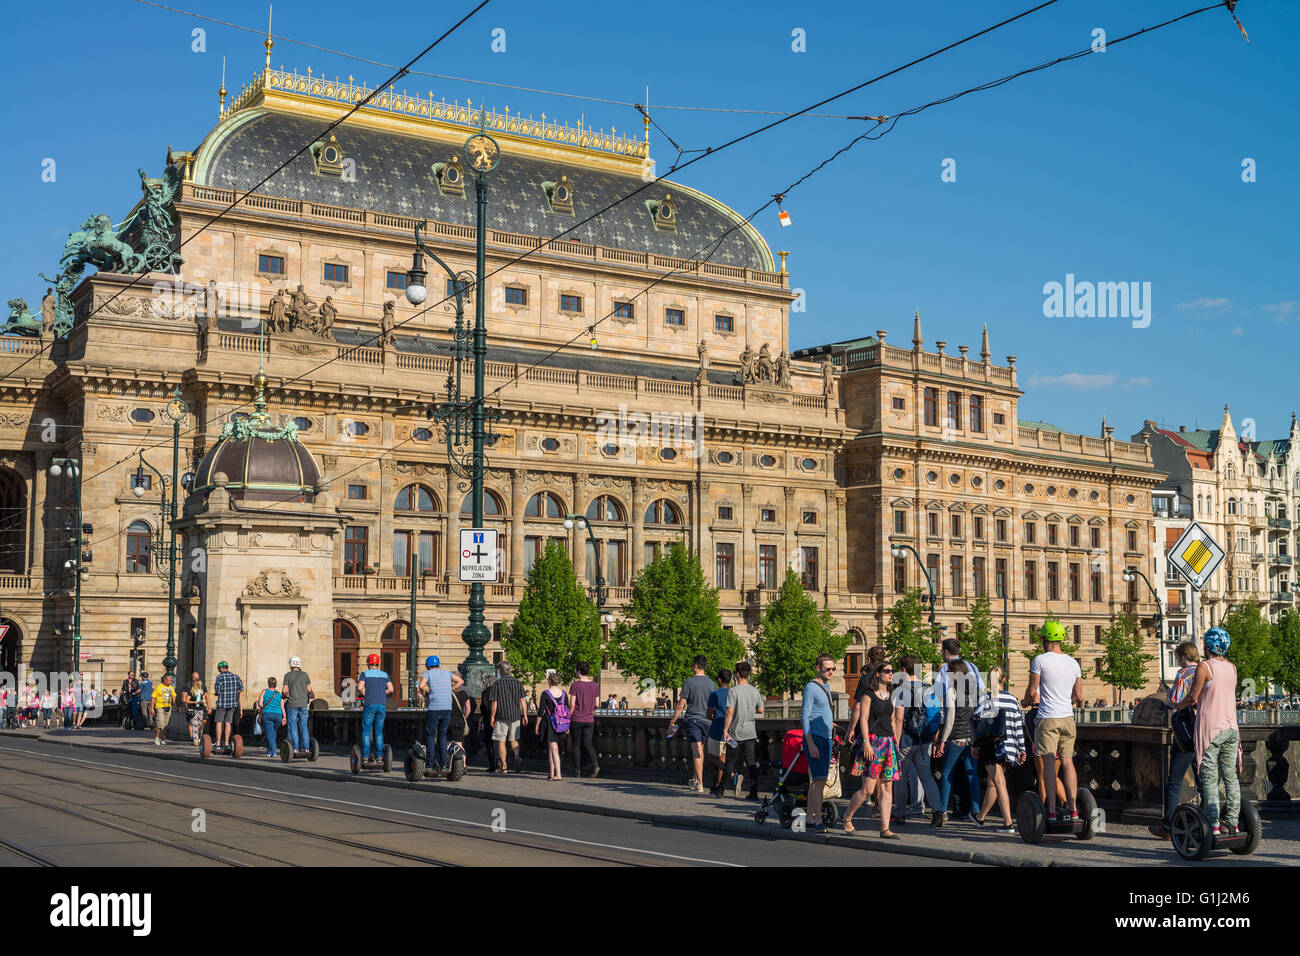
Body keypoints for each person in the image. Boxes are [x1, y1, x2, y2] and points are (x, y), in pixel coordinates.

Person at [1176, 627, 1241, 837]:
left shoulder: (1205, 666)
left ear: (1207, 646)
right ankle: (1232, 822)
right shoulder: (1232, 667)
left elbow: (1193, 697)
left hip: (1212, 729)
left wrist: (1178, 706)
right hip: (1231, 728)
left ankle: (1213, 823)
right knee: (1230, 777)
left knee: (1210, 777)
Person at [1021, 620, 1083, 824]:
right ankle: (1073, 809)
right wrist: (1066, 701)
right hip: (1068, 718)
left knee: (1048, 762)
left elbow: (1032, 691)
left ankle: (1052, 810)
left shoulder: (1040, 660)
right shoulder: (1073, 662)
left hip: (1047, 717)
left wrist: (1025, 701)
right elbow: (1078, 695)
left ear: (1045, 639)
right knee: (1068, 762)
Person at [843, 660, 901, 838]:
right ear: (878, 674)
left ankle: (885, 828)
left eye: (892, 671)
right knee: (868, 788)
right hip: (873, 741)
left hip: (888, 742)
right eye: (887, 671)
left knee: (887, 787)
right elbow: (863, 718)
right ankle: (847, 816)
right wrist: (866, 742)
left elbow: (892, 720)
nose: (891, 674)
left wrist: (895, 741)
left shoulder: (891, 694)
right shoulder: (868, 694)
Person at [1150, 641, 1201, 839]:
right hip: (1204, 731)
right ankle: (1206, 820)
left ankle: (1169, 826)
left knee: (1175, 781)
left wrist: (1167, 698)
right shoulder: (1206, 670)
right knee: (1202, 779)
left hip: (1186, 733)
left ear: (1182, 656)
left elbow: (1176, 702)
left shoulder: (1183, 674)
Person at [891, 654, 943, 826]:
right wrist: (935, 739)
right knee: (927, 777)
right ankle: (937, 811)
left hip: (905, 740)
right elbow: (936, 717)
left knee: (901, 777)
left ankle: (899, 813)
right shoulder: (929, 689)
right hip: (924, 741)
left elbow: (898, 719)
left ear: (904, 670)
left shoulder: (900, 690)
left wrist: (895, 743)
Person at [973, 666, 1026, 833]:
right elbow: (1018, 726)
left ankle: (1008, 823)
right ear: (1004, 680)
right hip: (1009, 747)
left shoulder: (986, 699)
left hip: (992, 746)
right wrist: (1022, 749)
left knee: (999, 782)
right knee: (993, 783)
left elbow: (977, 723)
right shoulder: (1012, 700)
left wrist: (974, 745)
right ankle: (980, 818)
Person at [933, 657, 981, 827]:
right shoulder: (974, 691)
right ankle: (976, 810)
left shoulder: (952, 692)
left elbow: (950, 718)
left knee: (946, 774)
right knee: (972, 774)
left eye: (949, 672)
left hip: (956, 738)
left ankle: (943, 811)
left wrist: (942, 740)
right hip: (971, 739)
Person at [668, 655, 716, 793]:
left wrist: (673, 720)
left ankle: (700, 783)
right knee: (700, 750)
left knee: (696, 752)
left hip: (693, 720)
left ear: (695, 666)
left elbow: (681, 704)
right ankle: (695, 780)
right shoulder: (712, 683)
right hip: (707, 721)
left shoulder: (689, 681)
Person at [801, 654, 837, 831]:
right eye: (827, 669)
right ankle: (818, 820)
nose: (831, 672)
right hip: (815, 738)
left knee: (816, 781)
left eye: (833, 669)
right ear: (818, 668)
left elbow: (818, 712)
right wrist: (810, 743)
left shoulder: (826, 687)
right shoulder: (811, 687)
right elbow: (805, 716)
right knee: (820, 779)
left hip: (826, 736)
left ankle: (809, 817)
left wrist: (828, 722)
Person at [722, 661, 764, 799]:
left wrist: (725, 729)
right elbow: (761, 709)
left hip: (735, 732)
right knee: (751, 763)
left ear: (737, 674)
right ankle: (753, 791)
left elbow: (729, 712)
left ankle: (721, 789)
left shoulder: (733, 691)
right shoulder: (754, 691)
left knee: (730, 762)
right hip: (750, 732)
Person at [487, 661, 527, 773]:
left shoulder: (497, 684)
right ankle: (517, 756)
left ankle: (504, 767)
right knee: (514, 740)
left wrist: (492, 716)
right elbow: (523, 700)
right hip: (515, 715)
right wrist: (525, 715)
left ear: (501, 671)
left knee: (501, 741)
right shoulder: (517, 683)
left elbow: (494, 702)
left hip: (501, 716)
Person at [419, 655, 454, 773]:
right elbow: (461, 681)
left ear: (427, 666)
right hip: (447, 708)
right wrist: (451, 689)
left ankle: (429, 764)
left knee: (430, 734)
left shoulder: (427, 674)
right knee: (442, 735)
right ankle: (444, 764)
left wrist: (427, 692)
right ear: (438, 664)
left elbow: (420, 685)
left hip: (434, 708)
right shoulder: (447, 673)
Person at [567, 661, 600, 778]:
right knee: (588, 744)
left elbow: (572, 704)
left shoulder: (575, 685)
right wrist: (589, 708)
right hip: (589, 719)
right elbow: (597, 704)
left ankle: (577, 770)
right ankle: (595, 763)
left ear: (579, 671)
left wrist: (567, 717)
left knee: (576, 745)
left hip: (577, 718)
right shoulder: (595, 686)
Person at [535, 673, 570, 781]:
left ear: (549, 681)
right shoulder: (564, 693)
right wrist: (568, 725)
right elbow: (567, 710)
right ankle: (551, 773)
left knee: (554, 748)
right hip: (561, 722)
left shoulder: (545, 693)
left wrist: (537, 725)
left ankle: (558, 774)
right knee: (551, 748)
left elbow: (541, 712)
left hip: (550, 722)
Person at [358, 654, 392, 763]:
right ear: (378, 663)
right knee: (379, 732)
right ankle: (379, 757)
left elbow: (359, 688)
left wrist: (364, 694)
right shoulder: (384, 674)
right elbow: (391, 689)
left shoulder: (365, 674)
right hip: (381, 705)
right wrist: (382, 693)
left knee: (366, 731)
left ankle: (365, 757)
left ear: (368, 663)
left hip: (369, 705)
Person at [705, 668, 732, 796]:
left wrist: (712, 716)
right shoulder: (733, 693)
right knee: (723, 757)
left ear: (719, 680)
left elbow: (709, 713)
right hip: (731, 730)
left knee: (713, 756)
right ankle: (719, 785)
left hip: (717, 730)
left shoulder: (715, 694)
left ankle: (732, 775)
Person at [281, 656, 314, 753]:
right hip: (303, 704)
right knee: (304, 726)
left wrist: (284, 695)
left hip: (292, 704)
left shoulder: (287, 675)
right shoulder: (305, 675)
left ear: (290, 664)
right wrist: (310, 695)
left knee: (293, 726)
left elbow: (284, 691)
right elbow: (309, 690)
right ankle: (306, 748)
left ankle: (295, 748)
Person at [213, 661, 244, 754]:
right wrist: (233, 693)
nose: (219, 671)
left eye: (219, 669)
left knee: (219, 722)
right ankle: (226, 743)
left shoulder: (219, 677)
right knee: (228, 723)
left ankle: (218, 744)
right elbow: (241, 689)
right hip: (232, 704)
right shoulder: (236, 677)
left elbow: (217, 691)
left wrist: (219, 693)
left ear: (222, 668)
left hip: (222, 703)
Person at [255, 676, 283, 758]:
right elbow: (282, 705)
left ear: (268, 684)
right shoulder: (278, 694)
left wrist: (264, 707)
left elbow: (260, 703)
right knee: (273, 734)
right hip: (278, 715)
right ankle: (268, 752)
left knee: (270, 734)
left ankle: (274, 752)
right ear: (275, 684)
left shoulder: (264, 691)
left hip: (267, 715)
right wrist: (284, 716)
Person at [475, 672, 497, 772]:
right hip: (500, 718)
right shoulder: (498, 691)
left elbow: (484, 707)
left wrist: (482, 717)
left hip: (489, 719)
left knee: (490, 743)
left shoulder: (485, 692)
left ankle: (492, 765)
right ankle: (502, 764)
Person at [182, 672, 209, 746]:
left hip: (200, 709)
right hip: (193, 709)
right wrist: (194, 702)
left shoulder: (201, 691)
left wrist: (204, 701)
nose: (201, 685)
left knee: (200, 725)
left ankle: (197, 737)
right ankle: (195, 740)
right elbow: (186, 700)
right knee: (194, 725)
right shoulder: (191, 692)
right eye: (199, 684)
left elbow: (205, 698)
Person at [151, 673, 177, 746]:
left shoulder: (171, 688)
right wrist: (152, 708)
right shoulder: (158, 687)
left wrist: (177, 706)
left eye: (170, 681)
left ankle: (163, 738)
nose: (170, 682)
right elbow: (153, 698)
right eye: (169, 680)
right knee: (160, 723)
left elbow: (174, 697)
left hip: (168, 707)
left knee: (166, 724)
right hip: (160, 707)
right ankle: (156, 738)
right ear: (165, 680)